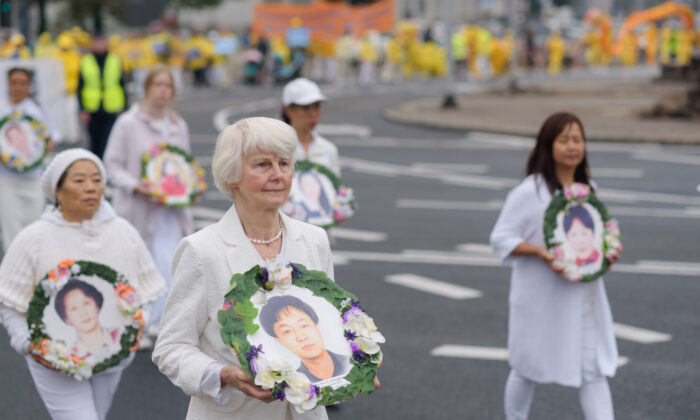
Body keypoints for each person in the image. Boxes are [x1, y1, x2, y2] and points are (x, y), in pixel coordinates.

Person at [152, 117, 336, 420]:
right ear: (232, 175)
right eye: (263, 165)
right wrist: (223, 374)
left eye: (284, 164)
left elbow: (327, 324)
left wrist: (356, 360)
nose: (278, 175)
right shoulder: (201, 250)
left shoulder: (314, 240)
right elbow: (171, 348)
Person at [0, 148, 165, 420]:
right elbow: (9, 302)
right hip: (53, 360)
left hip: (111, 355)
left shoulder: (123, 232)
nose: (91, 187)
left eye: (97, 180)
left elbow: (146, 293)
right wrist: (28, 343)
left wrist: (139, 323)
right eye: (79, 181)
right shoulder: (34, 237)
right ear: (58, 190)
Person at [489, 112, 620, 420]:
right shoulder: (530, 191)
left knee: (592, 369)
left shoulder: (588, 191)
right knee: (526, 367)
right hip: (538, 298)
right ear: (547, 146)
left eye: (577, 139)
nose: (572, 146)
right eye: (564, 140)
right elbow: (501, 237)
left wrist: (605, 253)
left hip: (582, 297)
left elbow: (597, 234)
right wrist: (539, 252)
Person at [103, 65, 194, 345]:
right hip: (140, 209)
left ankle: (161, 323)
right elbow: (112, 164)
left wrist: (190, 188)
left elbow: (184, 165)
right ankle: (136, 323)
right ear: (146, 89)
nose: (163, 91)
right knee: (138, 264)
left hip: (170, 210)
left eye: (168, 86)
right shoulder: (128, 123)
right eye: (158, 85)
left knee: (169, 264)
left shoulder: (178, 125)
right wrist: (136, 186)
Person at [0, 67, 59, 253]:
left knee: (33, 224)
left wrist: (48, 143)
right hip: (7, 179)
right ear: (8, 85)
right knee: (11, 227)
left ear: (29, 85)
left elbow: (52, 134)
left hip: (32, 178)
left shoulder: (37, 109)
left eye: (22, 83)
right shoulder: (2, 108)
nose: (18, 87)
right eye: (14, 83)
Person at [259, 295, 349, 383]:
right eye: (287, 331)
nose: (301, 337)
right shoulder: (295, 385)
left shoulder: (351, 363)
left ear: (316, 326)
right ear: (279, 341)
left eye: (304, 325)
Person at [78, 33, 127, 159]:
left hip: (110, 106)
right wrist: (82, 108)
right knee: (94, 141)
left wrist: (125, 106)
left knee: (109, 139)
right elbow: (80, 86)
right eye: (97, 42)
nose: (100, 45)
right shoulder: (86, 61)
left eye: (102, 42)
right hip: (92, 107)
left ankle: (107, 166)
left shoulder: (114, 60)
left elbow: (121, 84)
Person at [281, 78, 340, 177]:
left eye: (317, 106)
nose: (313, 114)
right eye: (305, 108)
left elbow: (337, 188)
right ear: (288, 111)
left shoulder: (329, 149)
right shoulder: (276, 147)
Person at [55, 279, 123, 360]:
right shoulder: (70, 356)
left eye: (86, 303)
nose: (83, 313)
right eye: (74, 309)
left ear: (96, 305)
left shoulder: (120, 334)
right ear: (66, 318)